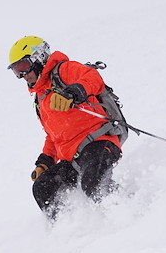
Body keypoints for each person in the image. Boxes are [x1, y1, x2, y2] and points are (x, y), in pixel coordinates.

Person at [8, 36, 123, 219]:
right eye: (16, 71)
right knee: (42, 188)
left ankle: (126, 211)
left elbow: (92, 77)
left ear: (39, 58)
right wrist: (45, 161)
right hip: (73, 159)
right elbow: (53, 135)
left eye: (23, 67)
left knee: (93, 182)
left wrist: (73, 92)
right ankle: (68, 229)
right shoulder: (41, 98)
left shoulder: (64, 70)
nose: (22, 75)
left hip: (99, 142)